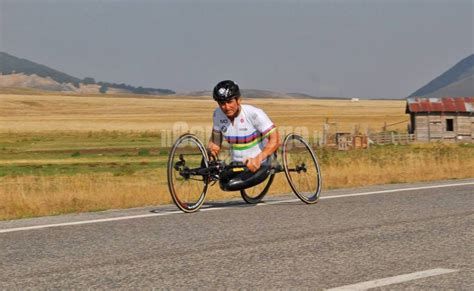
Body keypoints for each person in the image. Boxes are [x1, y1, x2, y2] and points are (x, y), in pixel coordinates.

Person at [207, 80, 280, 173]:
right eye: (222, 103)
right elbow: (215, 143)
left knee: (232, 185)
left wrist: (258, 159)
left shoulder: (254, 114)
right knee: (224, 184)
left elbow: (275, 139)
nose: (226, 107)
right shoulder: (217, 114)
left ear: (238, 100)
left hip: (261, 163)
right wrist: (210, 162)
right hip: (237, 165)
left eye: (230, 102)